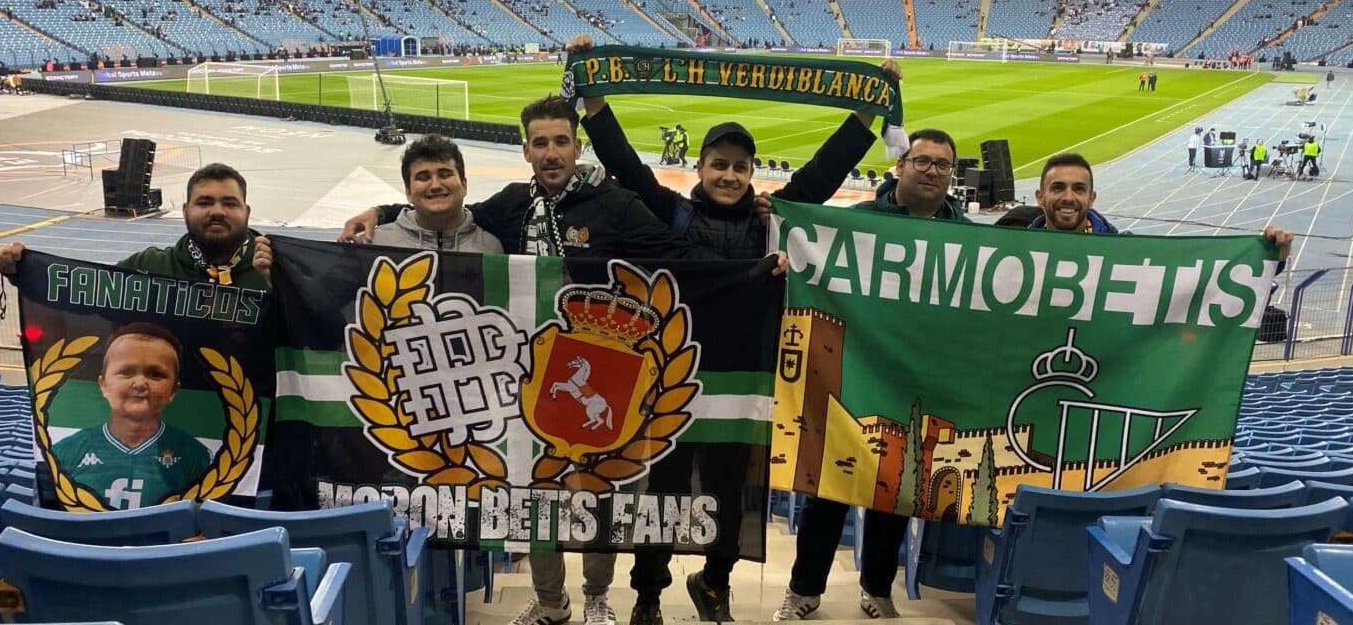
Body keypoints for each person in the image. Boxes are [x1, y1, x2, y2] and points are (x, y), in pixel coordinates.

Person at [341, 95, 771, 625]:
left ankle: (597, 595)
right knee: (533, 490)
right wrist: (381, 213)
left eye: (560, 141)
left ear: (576, 145)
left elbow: (675, 255)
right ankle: (551, 601)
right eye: (540, 143)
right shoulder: (509, 204)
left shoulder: (614, 203)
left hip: (605, 374)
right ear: (526, 149)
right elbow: (448, 209)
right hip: (525, 377)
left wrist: (752, 273)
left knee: (602, 489)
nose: (551, 152)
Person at [577, 41, 883, 624]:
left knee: (730, 494)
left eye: (740, 167)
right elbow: (624, 164)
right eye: (720, 164)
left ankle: (714, 583)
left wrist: (866, 113)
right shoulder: (671, 212)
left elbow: (822, 173)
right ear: (700, 168)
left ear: (751, 172)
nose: (730, 175)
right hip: (672, 380)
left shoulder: (773, 217)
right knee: (663, 494)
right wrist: (592, 98)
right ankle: (647, 596)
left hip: (743, 380)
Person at [774, 128, 969, 622]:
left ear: (952, 173)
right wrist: (791, 259)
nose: (931, 170)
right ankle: (803, 590)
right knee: (830, 490)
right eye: (921, 160)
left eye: (942, 164)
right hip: (854, 373)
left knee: (898, 494)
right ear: (899, 166)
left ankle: (877, 588)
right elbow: (810, 258)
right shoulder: (859, 224)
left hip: (920, 382)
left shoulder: (970, 237)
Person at [0, 163, 271, 290]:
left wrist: (277, 282)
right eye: (205, 202)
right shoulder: (149, 267)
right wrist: (21, 269)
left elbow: (313, 323)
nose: (218, 212)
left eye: (230, 203)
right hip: (178, 406)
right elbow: (83, 293)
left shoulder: (279, 270)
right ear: (186, 210)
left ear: (246, 212)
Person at [50, 322, 211, 510]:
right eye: (126, 372)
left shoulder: (195, 455)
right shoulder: (65, 452)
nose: (140, 383)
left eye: (155, 374)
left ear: (173, 390)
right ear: (103, 385)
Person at [1030, 152, 1294, 259]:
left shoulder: (1125, 253)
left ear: (1092, 198)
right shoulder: (1007, 248)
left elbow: (1199, 281)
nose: (1068, 197)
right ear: (1040, 197)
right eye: (1057, 188)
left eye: (1079, 189)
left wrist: (1270, 256)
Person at [371, 135, 502, 252]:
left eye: (444, 175)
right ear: (408, 192)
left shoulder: (491, 248)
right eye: (423, 177)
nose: (435, 185)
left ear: (464, 185)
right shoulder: (374, 244)